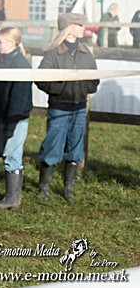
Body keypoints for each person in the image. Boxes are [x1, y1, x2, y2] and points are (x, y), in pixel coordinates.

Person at [35, 13, 99, 202]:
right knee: (53, 146)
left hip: (79, 108)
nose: (83, 28)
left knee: (76, 148)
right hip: (59, 108)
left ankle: (68, 189)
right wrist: (61, 89)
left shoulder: (87, 54)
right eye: (80, 25)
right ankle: (44, 188)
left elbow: (94, 80)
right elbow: (41, 79)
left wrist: (84, 88)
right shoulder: (53, 54)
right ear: (69, 28)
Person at [0, 27, 33, 210]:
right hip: (4, 115)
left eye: (1, 42)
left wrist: (11, 122)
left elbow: (19, 99)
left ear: (12, 43)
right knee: (11, 153)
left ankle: (12, 198)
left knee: (12, 155)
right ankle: (12, 197)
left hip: (15, 117)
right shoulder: (0, 62)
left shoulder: (20, 65)